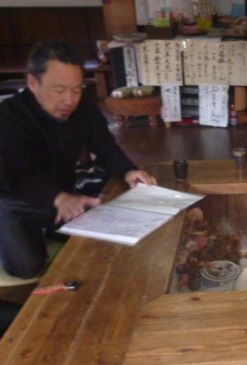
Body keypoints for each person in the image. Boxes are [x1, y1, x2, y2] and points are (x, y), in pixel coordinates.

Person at [0, 41, 156, 279]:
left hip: (65, 194)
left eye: (76, 89)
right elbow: (16, 175)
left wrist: (128, 171)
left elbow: (105, 146)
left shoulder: (83, 107)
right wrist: (57, 198)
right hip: (16, 198)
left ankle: (50, 228)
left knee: (106, 242)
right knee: (26, 265)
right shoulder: (9, 116)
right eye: (59, 90)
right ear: (33, 82)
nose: (69, 100)